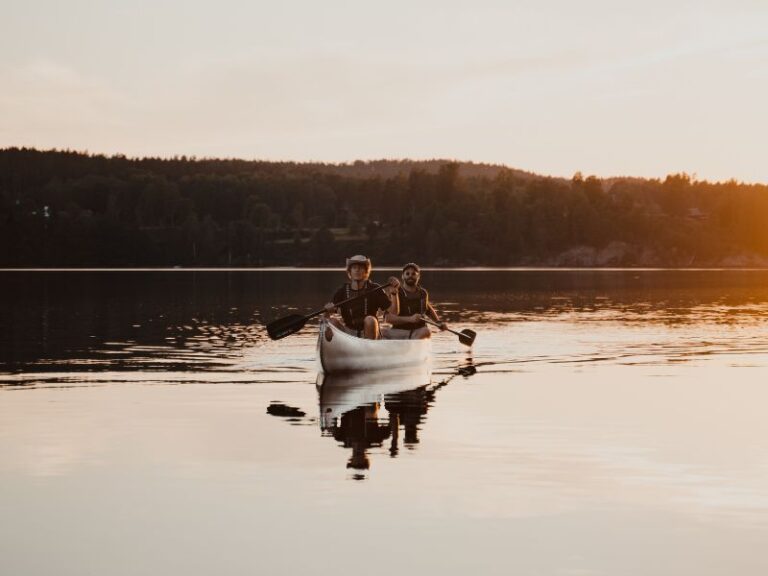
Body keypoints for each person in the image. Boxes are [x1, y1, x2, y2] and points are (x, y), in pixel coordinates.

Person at [324, 255, 400, 340]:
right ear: (350, 271)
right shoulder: (342, 291)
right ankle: (334, 348)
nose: (357, 270)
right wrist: (327, 312)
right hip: (349, 332)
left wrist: (394, 293)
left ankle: (370, 348)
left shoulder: (374, 288)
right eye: (354, 268)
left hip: (369, 331)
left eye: (360, 268)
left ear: (366, 271)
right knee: (332, 322)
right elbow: (326, 317)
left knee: (370, 319)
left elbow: (394, 312)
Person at [385, 262, 446, 339]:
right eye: (407, 274)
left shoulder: (423, 293)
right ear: (403, 276)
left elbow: (428, 309)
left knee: (426, 331)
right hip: (399, 332)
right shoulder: (395, 292)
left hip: (418, 332)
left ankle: (412, 343)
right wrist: (410, 319)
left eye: (413, 274)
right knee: (382, 332)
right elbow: (388, 319)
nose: (410, 276)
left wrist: (438, 322)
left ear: (418, 276)